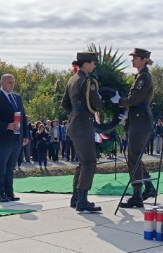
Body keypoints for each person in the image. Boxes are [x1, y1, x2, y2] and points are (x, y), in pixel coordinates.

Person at [111, 48, 157, 208]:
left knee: (133, 158)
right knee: (135, 156)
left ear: (144, 59)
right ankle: (149, 187)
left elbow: (134, 99)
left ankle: (137, 195)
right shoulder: (140, 76)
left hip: (141, 121)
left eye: (136, 58)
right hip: (138, 119)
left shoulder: (144, 77)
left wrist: (119, 101)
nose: (132, 60)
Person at [61, 51, 103, 212]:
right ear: (86, 64)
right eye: (93, 63)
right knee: (89, 162)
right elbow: (97, 105)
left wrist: (75, 112)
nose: (94, 66)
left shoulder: (72, 80)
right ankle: (83, 200)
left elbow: (65, 104)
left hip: (75, 123)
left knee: (82, 162)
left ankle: (76, 198)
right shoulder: (88, 81)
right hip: (84, 123)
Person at [0, 74, 29, 203]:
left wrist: (26, 135)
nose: (12, 84)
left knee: (11, 167)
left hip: (17, 138)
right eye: (9, 82)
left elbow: (24, 117)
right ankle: (0, 193)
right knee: (1, 168)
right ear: (2, 83)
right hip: (3, 139)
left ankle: (9, 192)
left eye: (13, 82)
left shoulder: (17, 97)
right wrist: (7, 126)